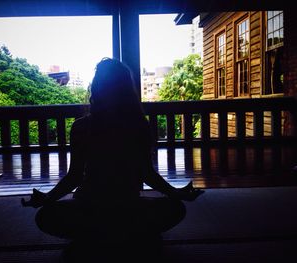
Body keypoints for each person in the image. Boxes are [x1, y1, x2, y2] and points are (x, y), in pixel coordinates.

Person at [22, 58, 204, 261]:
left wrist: (47, 199)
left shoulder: (82, 127)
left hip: (89, 209)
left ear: (97, 89)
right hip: (128, 209)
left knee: (46, 216)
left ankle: (97, 237)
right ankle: (126, 236)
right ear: (127, 90)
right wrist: (175, 193)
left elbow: (74, 177)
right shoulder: (138, 126)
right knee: (175, 209)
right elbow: (147, 174)